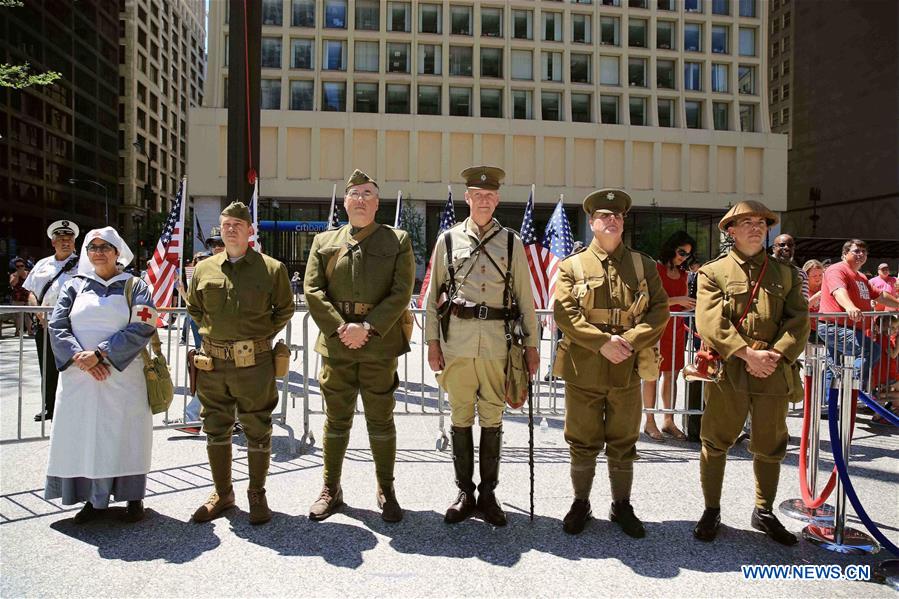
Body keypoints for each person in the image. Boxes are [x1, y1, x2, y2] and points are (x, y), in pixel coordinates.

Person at [424, 165, 539, 527]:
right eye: (478, 194)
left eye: (491, 195)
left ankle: (488, 494)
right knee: (460, 416)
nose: (485, 200)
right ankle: (464, 492)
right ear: (467, 197)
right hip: (457, 340)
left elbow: (526, 296)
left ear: (498, 199)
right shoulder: (447, 240)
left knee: (492, 416)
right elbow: (431, 298)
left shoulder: (511, 242)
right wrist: (431, 342)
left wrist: (533, 345)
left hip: (497, 343)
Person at [553, 189, 669, 536]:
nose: (612, 220)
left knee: (623, 440)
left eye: (617, 216)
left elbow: (659, 309)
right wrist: (602, 343)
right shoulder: (571, 266)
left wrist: (630, 341)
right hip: (585, 368)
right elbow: (565, 313)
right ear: (591, 223)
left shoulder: (643, 265)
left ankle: (621, 505)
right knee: (582, 440)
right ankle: (581, 502)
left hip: (627, 368)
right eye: (604, 216)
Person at [692, 201, 809, 546]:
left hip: (773, 370)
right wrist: (746, 354)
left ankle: (764, 510)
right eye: (746, 222)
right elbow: (710, 321)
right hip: (730, 369)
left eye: (761, 222)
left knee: (771, 444)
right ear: (730, 230)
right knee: (715, 441)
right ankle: (711, 509)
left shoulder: (785, 273)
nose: (756, 228)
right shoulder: (712, 272)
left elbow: (799, 320)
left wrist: (774, 355)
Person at [304, 169, 415, 522]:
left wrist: (367, 327)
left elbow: (402, 292)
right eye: (355, 194)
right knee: (336, 421)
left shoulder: (396, 240)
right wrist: (341, 328)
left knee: (381, 421)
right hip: (337, 346)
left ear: (377, 203)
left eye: (368, 194)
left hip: (378, 345)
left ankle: (386, 489)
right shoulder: (324, 242)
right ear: (346, 202)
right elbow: (312, 290)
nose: (362, 199)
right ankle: (331, 489)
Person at [187, 201, 294, 525]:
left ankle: (256, 494)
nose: (231, 229)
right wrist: (218, 334)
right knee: (215, 427)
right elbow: (194, 307)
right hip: (214, 365)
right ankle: (223, 492)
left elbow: (284, 310)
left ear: (250, 230)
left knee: (257, 428)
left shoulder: (272, 269)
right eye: (226, 224)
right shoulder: (205, 269)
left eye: (238, 224)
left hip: (254, 365)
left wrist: (257, 338)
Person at [45, 227, 157, 523]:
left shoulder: (136, 286)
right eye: (92, 247)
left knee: (127, 436)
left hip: (123, 377)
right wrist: (80, 357)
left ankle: (133, 498)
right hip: (80, 378)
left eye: (105, 247)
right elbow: (56, 325)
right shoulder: (74, 285)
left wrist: (102, 353)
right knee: (86, 436)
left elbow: (142, 327)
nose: (98, 252)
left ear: (117, 251)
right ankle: (92, 500)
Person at [818, 240, 899, 410]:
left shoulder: (861, 277)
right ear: (844, 253)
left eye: (864, 251)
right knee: (869, 350)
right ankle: (854, 390)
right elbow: (838, 291)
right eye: (856, 251)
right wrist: (850, 307)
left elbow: (879, 295)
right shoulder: (836, 270)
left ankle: (828, 405)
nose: (861, 254)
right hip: (835, 327)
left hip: (851, 327)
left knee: (834, 365)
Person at [642, 231, 696, 441]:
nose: (684, 257)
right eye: (681, 252)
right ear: (671, 248)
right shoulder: (655, 269)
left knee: (672, 375)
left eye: (688, 254)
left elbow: (681, 300)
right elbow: (649, 301)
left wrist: (687, 303)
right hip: (656, 328)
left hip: (676, 328)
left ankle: (668, 420)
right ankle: (649, 421)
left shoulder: (683, 274)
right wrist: (679, 300)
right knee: (651, 375)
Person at [24, 220, 80, 421]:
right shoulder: (42, 264)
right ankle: (49, 406)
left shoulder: (83, 265)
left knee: (73, 366)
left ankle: (71, 406)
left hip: (72, 326)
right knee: (47, 366)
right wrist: (38, 313)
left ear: (74, 243)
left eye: (69, 239)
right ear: (53, 242)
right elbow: (30, 291)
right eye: (61, 239)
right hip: (45, 324)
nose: (66, 242)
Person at [771, 234, 808, 299]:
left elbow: (803, 301)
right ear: (774, 248)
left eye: (790, 245)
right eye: (782, 245)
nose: (786, 248)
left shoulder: (800, 274)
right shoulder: (764, 269)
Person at [9, 257, 33, 336]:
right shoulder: (14, 275)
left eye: (21, 266)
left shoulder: (29, 274)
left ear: (24, 266)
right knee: (17, 316)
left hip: (27, 298)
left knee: (28, 315)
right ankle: (17, 331)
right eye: (18, 266)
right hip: (17, 298)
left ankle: (30, 331)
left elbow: (32, 284)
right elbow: (12, 284)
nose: (20, 268)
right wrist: (17, 276)